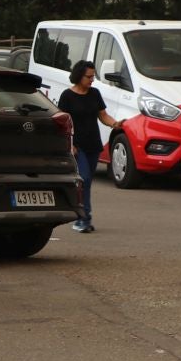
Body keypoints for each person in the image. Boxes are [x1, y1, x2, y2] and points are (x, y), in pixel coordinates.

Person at [56, 59, 122, 233]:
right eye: (89, 76)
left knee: (87, 182)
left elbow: (103, 115)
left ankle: (83, 217)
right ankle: (83, 219)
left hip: (93, 144)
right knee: (83, 180)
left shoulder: (95, 93)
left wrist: (115, 124)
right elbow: (63, 122)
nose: (92, 79)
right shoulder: (67, 96)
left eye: (93, 76)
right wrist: (69, 144)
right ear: (79, 76)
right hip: (77, 146)